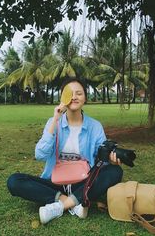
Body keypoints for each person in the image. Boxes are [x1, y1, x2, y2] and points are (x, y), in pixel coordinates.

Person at [7, 77, 123, 224]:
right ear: (62, 97)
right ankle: (73, 202)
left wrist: (111, 160)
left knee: (115, 171)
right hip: (54, 182)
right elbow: (40, 154)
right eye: (70, 93)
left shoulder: (95, 126)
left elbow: (101, 162)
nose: (74, 97)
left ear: (85, 97)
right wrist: (55, 119)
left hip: (84, 181)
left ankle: (60, 206)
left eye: (79, 93)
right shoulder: (53, 122)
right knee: (14, 181)